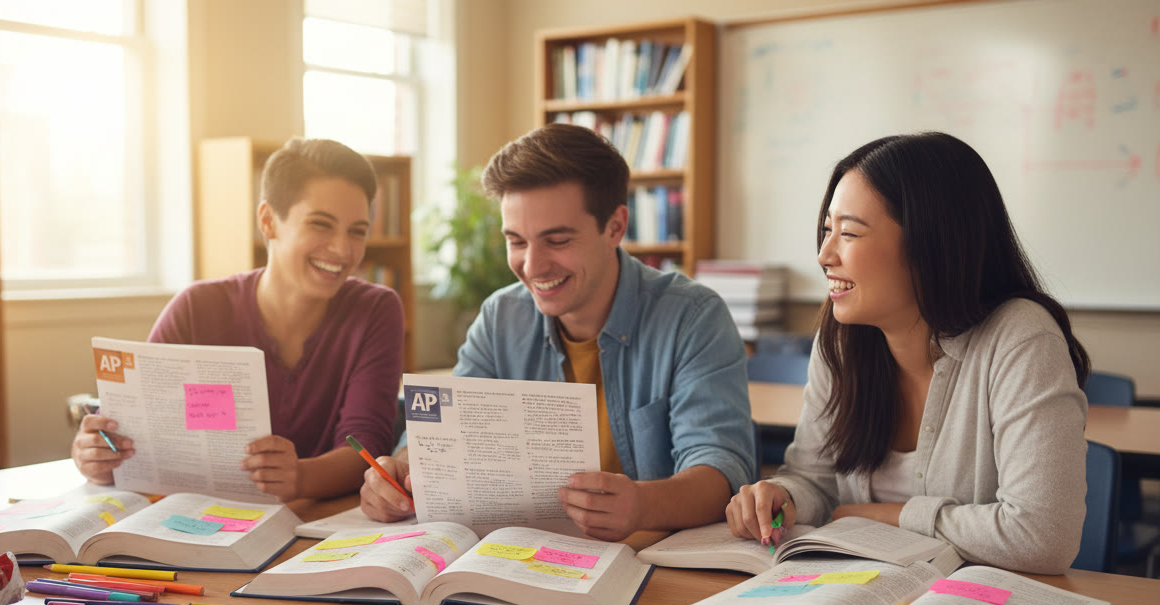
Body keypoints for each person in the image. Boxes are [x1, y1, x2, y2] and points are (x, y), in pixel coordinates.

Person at [359, 123, 756, 541]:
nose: (532, 267)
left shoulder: (693, 317)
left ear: (616, 227)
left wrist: (643, 505)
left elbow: (720, 470)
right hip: (529, 560)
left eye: (558, 240)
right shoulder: (501, 318)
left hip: (654, 563)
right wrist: (401, 468)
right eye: (516, 241)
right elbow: (440, 438)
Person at [725, 132, 1090, 574]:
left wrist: (891, 517)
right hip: (860, 594)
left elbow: (1044, 537)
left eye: (848, 233)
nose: (824, 255)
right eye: (826, 231)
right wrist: (783, 495)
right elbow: (815, 482)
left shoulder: (1021, 338)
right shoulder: (840, 341)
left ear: (928, 245)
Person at [71, 137, 404, 502]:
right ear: (268, 221)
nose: (343, 250)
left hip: (316, 524)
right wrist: (95, 454)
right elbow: (137, 429)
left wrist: (300, 478)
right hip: (197, 520)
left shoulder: (375, 310)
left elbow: (365, 448)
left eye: (357, 231)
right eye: (321, 225)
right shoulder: (196, 309)